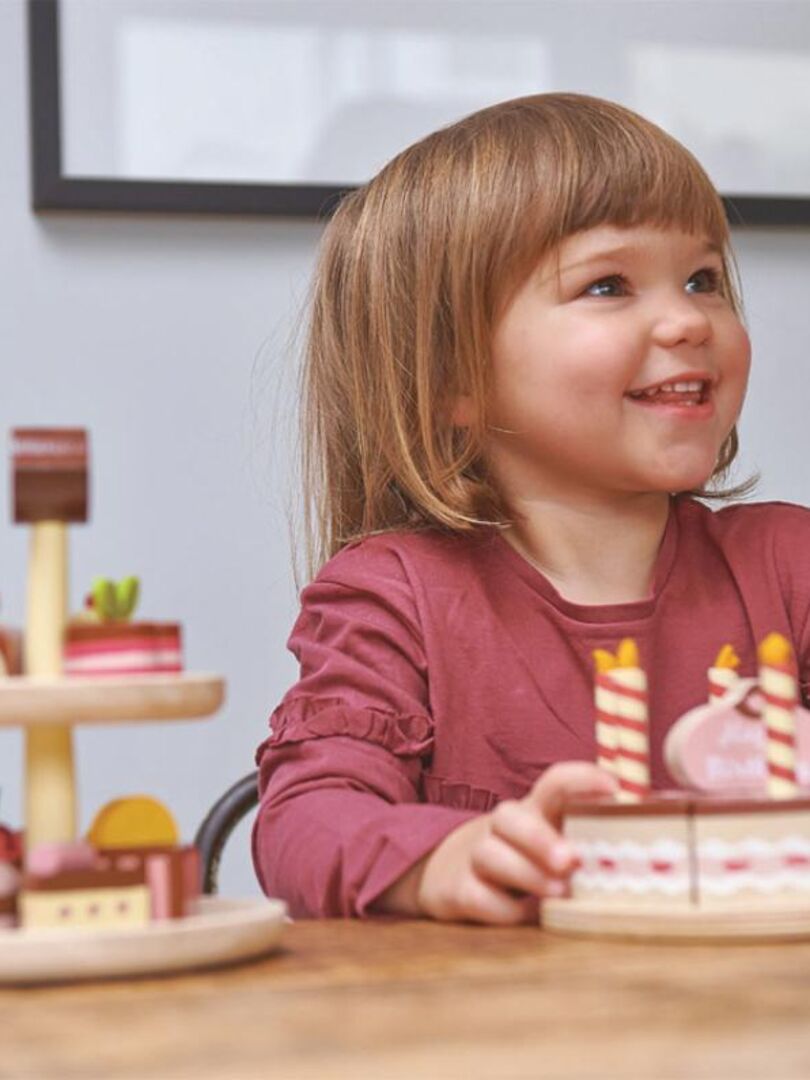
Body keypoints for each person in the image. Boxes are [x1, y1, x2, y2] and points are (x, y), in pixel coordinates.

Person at [252, 92, 809, 924]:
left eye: (703, 278)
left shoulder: (787, 561)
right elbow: (304, 820)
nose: (689, 318)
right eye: (609, 284)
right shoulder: (395, 597)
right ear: (452, 379)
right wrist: (437, 859)